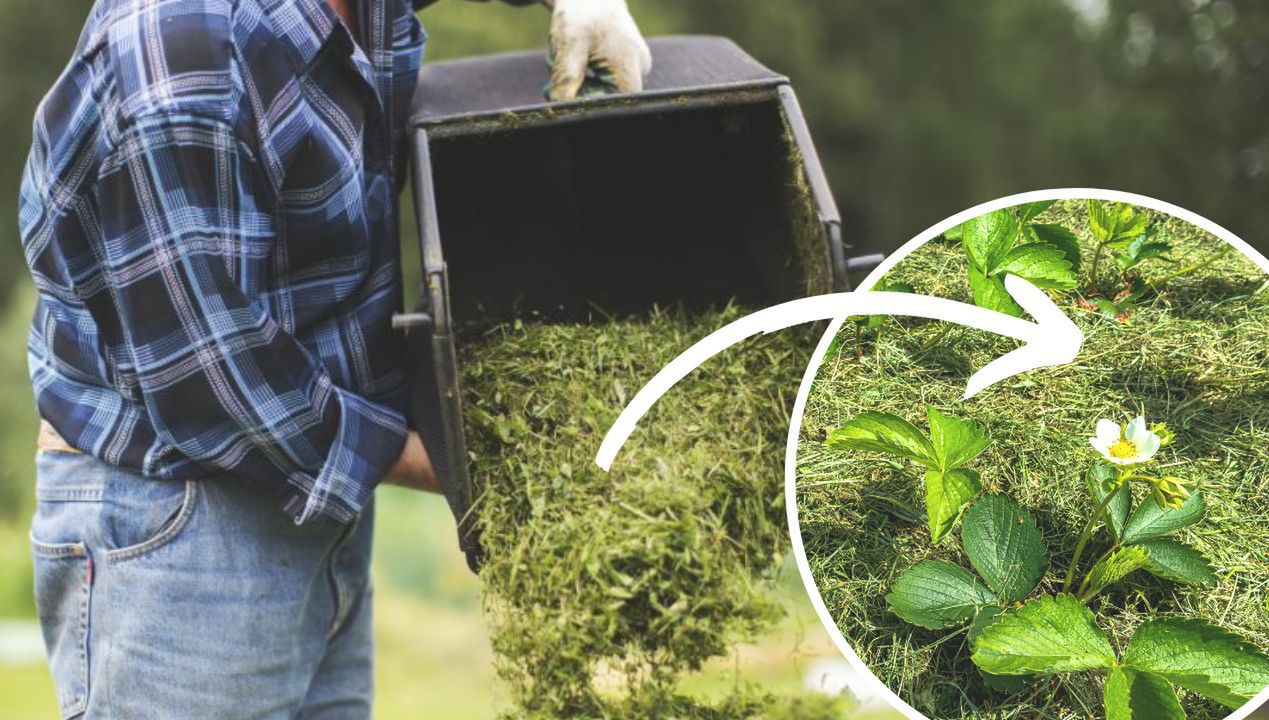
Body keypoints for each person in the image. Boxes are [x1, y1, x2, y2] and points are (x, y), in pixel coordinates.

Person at [17, 0, 649, 717]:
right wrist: (486, 469)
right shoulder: (182, 53)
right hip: (182, 532)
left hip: (317, 502)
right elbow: (216, 385)